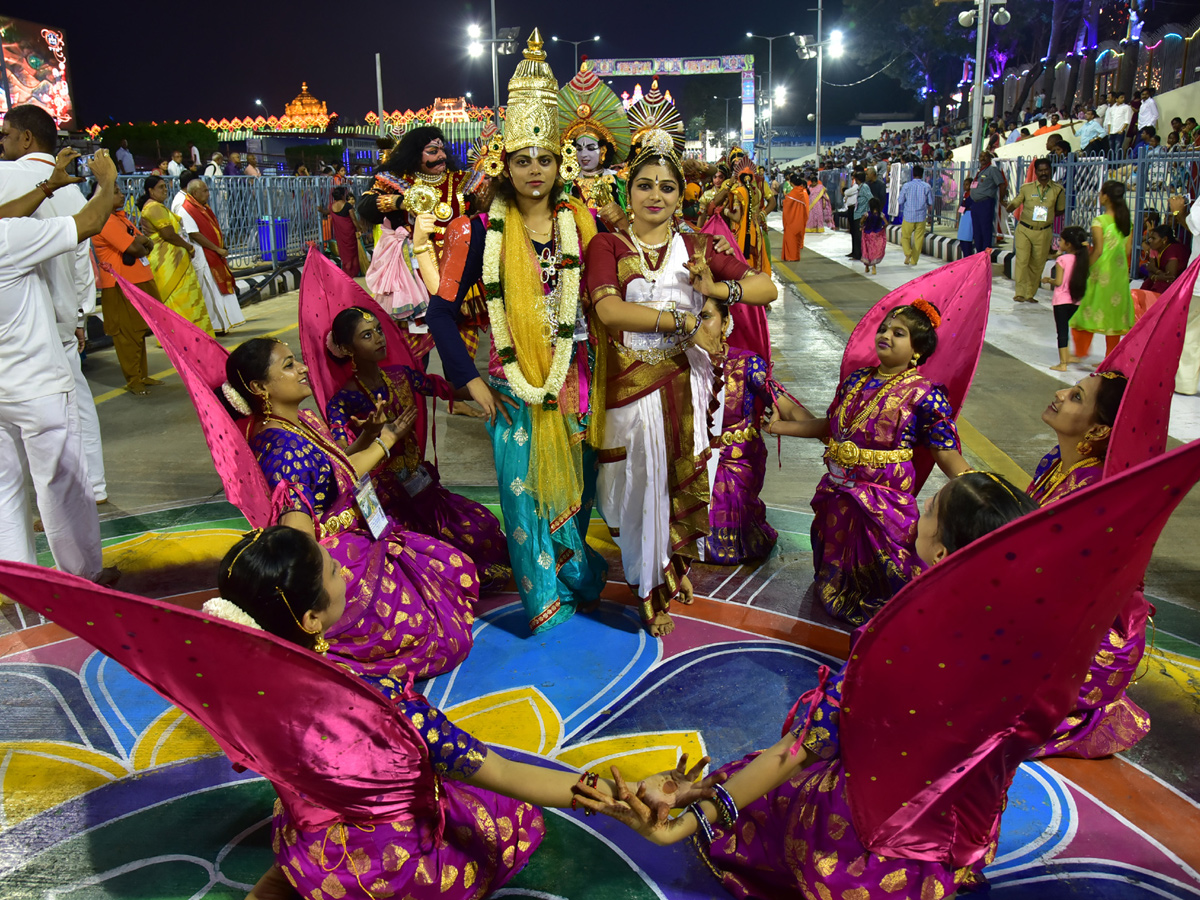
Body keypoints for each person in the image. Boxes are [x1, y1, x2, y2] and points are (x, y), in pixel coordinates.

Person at [574, 472, 1042, 900]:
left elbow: (800, 748)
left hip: (865, 854)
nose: (919, 511)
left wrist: (684, 825)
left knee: (771, 793)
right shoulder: (1025, 650)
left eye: (932, 508)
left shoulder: (896, 647)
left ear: (941, 554)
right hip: (964, 837)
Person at [425, 31, 608, 635]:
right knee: (522, 494)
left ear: (562, 163)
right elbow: (440, 313)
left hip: (575, 381)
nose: (535, 171)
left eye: (546, 159)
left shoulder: (584, 226)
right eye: (523, 160)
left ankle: (578, 579)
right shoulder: (475, 231)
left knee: (576, 493)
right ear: (504, 163)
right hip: (509, 384)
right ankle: (544, 606)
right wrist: (468, 383)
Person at [587, 132, 778, 636]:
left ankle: (661, 583)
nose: (656, 195)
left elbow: (766, 286)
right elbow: (609, 312)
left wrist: (716, 288)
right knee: (632, 489)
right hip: (628, 387)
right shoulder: (606, 244)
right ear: (628, 191)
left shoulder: (698, 247)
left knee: (678, 480)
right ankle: (648, 572)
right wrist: (684, 323)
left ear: (680, 195)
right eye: (645, 185)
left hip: (685, 385)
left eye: (667, 187)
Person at [223, 337, 477, 680]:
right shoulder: (279, 448)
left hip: (363, 526)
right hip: (340, 554)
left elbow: (333, 467)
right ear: (258, 387)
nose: (302, 369)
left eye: (296, 360)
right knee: (438, 632)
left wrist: (370, 437)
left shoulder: (303, 419)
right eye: (287, 366)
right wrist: (385, 444)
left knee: (453, 566)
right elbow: (298, 536)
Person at [765, 301, 969, 625]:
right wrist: (778, 427)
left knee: (887, 568)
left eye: (898, 333)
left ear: (917, 350)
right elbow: (830, 428)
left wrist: (974, 483)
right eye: (885, 328)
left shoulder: (926, 395)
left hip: (884, 500)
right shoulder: (856, 380)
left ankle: (888, 617)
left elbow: (944, 450)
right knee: (835, 551)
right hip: (838, 490)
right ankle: (838, 593)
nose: (886, 334)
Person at [322, 306, 512, 589]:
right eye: (366, 335)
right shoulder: (342, 402)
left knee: (482, 532)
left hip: (420, 489)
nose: (378, 338)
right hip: (384, 502)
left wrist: (485, 390)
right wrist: (374, 435)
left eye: (377, 330)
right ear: (348, 348)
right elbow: (343, 461)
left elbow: (444, 388)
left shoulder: (401, 375)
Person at [0, 146, 119, 583]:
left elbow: (5, 213)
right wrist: (105, 181)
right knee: (60, 488)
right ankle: (84, 577)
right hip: (37, 385)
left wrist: (50, 185)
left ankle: (17, 578)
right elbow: (88, 224)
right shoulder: (8, 241)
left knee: (5, 488)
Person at [1025, 372, 1151, 759]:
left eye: (1077, 396)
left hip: (1079, 629)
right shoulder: (1057, 462)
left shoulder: (1097, 487)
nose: (1060, 394)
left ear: (1098, 429)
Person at [0, 104, 107, 504]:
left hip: (22, 329)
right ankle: (94, 486)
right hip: (64, 318)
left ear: (26, 137)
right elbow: (83, 253)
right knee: (76, 410)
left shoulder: (6, 176)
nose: (2, 142)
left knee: (25, 455)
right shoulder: (71, 189)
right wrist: (82, 311)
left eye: (6, 134)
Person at [699, 298, 800, 564]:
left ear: (726, 322)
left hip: (737, 460)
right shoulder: (677, 363)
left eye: (705, 316)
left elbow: (781, 403)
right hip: (693, 461)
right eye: (690, 316)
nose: (697, 324)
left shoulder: (746, 364)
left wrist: (823, 428)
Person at [91, 182, 160, 395]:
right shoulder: (104, 221)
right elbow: (136, 248)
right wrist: (140, 242)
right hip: (120, 284)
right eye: (116, 192)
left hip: (138, 280)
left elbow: (147, 244)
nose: (122, 195)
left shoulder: (120, 218)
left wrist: (141, 242)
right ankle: (133, 379)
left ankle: (142, 375)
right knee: (126, 334)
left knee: (139, 331)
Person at [138, 176, 215, 335]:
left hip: (173, 261)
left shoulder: (157, 206)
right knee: (177, 297)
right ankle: (181, 334)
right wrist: (189, 247)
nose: (165, 189)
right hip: (167, 263)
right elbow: (168, 234)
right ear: (150, 191)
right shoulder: (153, 207)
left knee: (185, 296)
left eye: (165, 186)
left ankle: (189, 334)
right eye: (160, 187)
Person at [558, 65, 630, 227]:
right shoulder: (566, 184)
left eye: (591, 148)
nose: (584, 154)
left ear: (603, 151)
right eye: (579, 148)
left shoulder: (618, 182)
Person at [1070, 180, 1134, 361]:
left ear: (1105, 197)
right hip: (1119, 274)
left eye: (1101, 193)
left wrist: (1084, 268)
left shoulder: (1100, 221)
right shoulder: (1126, 223)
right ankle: (1109, 359)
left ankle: (1080, 352)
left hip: (1101, 273)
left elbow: (1097, 251)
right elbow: (1128, 251)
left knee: (1085, 311)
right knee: (1114, 318)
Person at [178, 178, 245, 334]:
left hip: (212, 254)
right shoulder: (186, 209)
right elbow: (194, 234)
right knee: (209, 292)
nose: (208, 193)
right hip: (202, 256)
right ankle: (216, 326)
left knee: (217, 290)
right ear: (195, 193)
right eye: (205, 191)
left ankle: (223, 324)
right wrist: (216, 249)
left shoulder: (202, 207)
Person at [1006, 158, 1066, 303]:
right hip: (1025, 230)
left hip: (1044, 232)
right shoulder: (1027, 188)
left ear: (1051, 170)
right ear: (1036, 172)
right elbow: (1017, 201)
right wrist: (1009, 206)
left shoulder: (1058, 190)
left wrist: (1045, 218)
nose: (1043, 173)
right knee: (1022, 260)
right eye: (1040, 170)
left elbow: (1060, 210)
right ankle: (1019, 293)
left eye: (1046, 170)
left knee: (1037, 264)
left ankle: (1029, 294)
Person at [1041, 226, 1090, 371]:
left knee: (1062, 332)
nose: (1059, 243)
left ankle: (1062, 364)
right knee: (1066, 328)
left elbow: (1059, 282)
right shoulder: (1082, 259)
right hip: (1076, 301)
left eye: (1061, 241)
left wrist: (1048, 280)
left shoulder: (1062, 259)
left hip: (1061, 300)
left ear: (1068, 244)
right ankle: (1067, 356)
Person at [966, 150, 1005, 256]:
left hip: (985, 204)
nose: (982, 158)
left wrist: (1001, 199)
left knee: (985, 230)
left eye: (985, 156)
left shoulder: (992, 170)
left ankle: (985, 255)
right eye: (981, 156)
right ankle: (979, 254)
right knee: (977, 232)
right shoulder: (979, 171)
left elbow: (1001, 184)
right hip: (975, 205)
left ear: (989, 158)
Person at [896, 165, 933, 266]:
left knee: (905, 237)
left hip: (908, 215)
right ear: (922, 174)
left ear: (913, 174)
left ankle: (908, 253)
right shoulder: (927, 186)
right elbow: (930, 202)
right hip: (921, 216)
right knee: (918, 239)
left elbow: (900, 201)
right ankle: (914, 261)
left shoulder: (906, 186)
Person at [1139, 224, 1188, 295]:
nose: (1150, 241)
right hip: (1161, 278)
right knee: (1147, 283)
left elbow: (1170, 278)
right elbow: (1150, 270)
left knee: (1160, 285)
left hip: (1179, 283)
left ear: (1164, 239)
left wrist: (1155, 272)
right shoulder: (1155, 249)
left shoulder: (1173, 250)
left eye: (1153, 238)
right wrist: (1156, 276)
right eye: (1150, 238)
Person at [327, 185, 363, 277]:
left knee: (344, 252)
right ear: (343, 195)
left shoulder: (331, 207)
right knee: (352, 252)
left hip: (340, 233)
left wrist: (320, 210)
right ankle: (353, 271)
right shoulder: (347, 205)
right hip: (349, 232)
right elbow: (354, 219)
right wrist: (359, 228)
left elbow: (326, 212)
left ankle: (346, 270)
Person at [780, 171, 809, 261]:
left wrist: (784, 202)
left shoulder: (793, 194)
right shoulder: (803, 192)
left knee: (791, 238)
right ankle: (795, 256)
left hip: (792, 220)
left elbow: (786, 204)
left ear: (792, 183)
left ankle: (791, 257)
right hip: (800, 219)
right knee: (797, 240)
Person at [860, 197, 887, 275]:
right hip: (877, 234)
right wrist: (882, 228)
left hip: (867, 234)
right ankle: (874, 267)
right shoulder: (881, 214)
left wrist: (862, 226)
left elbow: (861, 221)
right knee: (874, 251)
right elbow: (886, 223)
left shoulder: (867, 214)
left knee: (867, 250)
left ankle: (867, 266)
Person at [842, 170, 863, 260]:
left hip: (856, 210)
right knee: (853, 232)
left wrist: (846, 192)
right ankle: (854, 251)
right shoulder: (854, 185)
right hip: (851, 209)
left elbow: (847, 192)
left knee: (857, 233)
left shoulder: (859, 186)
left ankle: (858, 253)